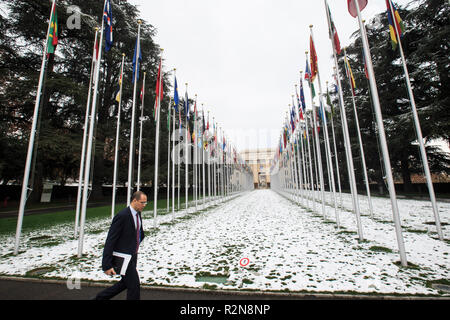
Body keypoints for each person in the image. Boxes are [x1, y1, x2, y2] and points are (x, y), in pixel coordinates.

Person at [94, 191, 147, 300]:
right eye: (142, 202)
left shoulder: (138, 214)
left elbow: (138, 232)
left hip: (133, 255)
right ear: (134, 200)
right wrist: (106, 265)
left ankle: (99, 298)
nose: (144, 205)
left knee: (125, 283)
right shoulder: (122, 216)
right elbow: (110, 240)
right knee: (134, 285)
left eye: (146, 203)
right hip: (123, 257)